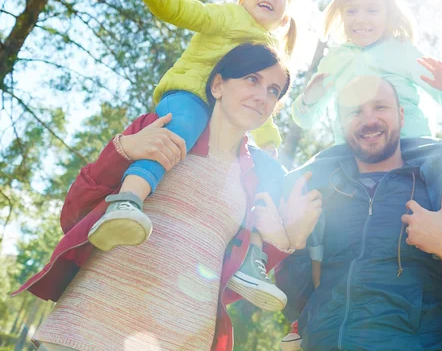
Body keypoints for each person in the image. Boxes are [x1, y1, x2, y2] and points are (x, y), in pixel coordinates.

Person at [12, 44, 321, 351]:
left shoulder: (256, 181)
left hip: (180, 339)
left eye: (273, 90)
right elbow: (74, 216)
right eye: (252, 79)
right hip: (86, 325)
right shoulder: (161, 128)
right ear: (217, 85)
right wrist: (123, 151)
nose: (262, 96)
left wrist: (289, 238)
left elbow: (228, 281)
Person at [88, 0, 298, 309]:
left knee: (267, 174)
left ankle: (252, 259)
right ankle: (127, 201)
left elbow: (265, 101)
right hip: (190, 97)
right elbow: (185, 10)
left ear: (285, 16)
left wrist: (269, 141)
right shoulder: (229, 17)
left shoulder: (271, 53)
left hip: (229, 121)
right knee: (182, 128)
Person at [276, 77, 442, 350]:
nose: (369, 120)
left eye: (380, 107)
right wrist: (295, 246)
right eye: (355, 111)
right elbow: (293, 306)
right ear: (341, 123)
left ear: (401, 115)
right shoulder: (318, 198)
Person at [290, 0, 442, 307]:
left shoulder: (402, 52)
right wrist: (309, 97)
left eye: (372, 11)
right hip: (351, 150)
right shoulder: (334, 59)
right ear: (340, 15)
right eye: (352, 11)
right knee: (302, 181)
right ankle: (305, 301)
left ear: (389, 16)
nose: (360, 19)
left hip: (409, 145)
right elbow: (303, 118)